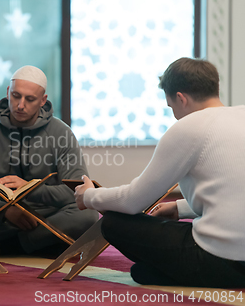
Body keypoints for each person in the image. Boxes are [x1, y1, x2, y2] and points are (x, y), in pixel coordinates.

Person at [75, 57, 245, 288]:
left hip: (221, 257)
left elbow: (132, 201)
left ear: (180, 98)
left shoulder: (189, 127)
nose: (174, 114)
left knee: (113, 223)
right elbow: (231, 189)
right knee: (143, 272)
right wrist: (179, 208)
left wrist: (88, 196)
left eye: (171, 107)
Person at [0, 65, 98, 256]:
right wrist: (5, 211)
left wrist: (30, 189)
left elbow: (77, 191)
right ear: (8, 92)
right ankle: (43, 243)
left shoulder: (62, 133)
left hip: (45, 217)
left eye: (30, 99)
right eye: (16, 96)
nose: (20, 105)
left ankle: (13, 245)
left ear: (43, 100)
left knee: (87, 215)